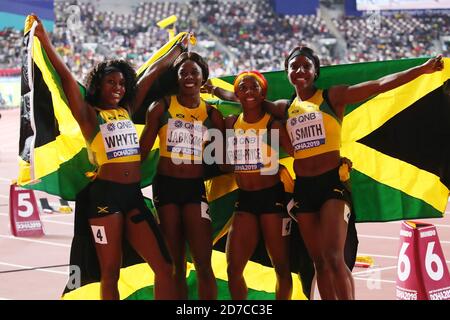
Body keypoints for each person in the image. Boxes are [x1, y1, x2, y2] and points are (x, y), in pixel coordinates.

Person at [264, 47, 443, 300]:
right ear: (287, 73)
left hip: (332, 185)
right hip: (304, 188)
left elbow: (379, 85)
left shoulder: (332, 96)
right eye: (294, 66)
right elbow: (247, 98)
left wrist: (422, 70)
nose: (300, 71)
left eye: (306, 66)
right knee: (319, 262)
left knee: (334, 257)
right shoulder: (284, 107)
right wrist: (215, 90)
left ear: (316, 72)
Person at [33, 15, 189, 300]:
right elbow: (66, 77)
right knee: (110, 272)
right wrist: (44, 40)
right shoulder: (90, 116)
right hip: (104, 198)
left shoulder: (127, 109)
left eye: (121, 83)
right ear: (98, 85)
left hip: (132, 196)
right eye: (110, 82)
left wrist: (178, 48)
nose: (117, 87)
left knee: (165, 267)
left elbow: (151, 73)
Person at [140, 51, 224, 299]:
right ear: (176, 78)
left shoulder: (212, 114)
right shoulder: (161, 107)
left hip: (195, 189)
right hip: (166, 188)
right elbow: (142, 152)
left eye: (194, 72)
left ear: (203, 78)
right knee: (174, 262)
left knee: (203, 263)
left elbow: (222, 157)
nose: (188, 76)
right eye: (183, 72)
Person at [220, 71, 294, 299]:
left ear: (263, 94)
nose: (249, 91)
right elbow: (223, 165)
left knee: (281, 268)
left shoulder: (273, 124)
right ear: (237, 94)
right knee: (233, 269)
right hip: (245, 201)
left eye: (255, 88)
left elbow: (297, 153)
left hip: (272, 198)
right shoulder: (230, 123)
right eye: (243, 87)